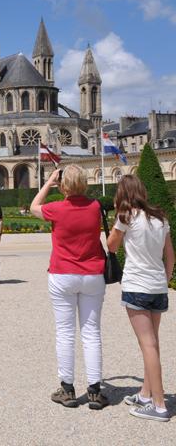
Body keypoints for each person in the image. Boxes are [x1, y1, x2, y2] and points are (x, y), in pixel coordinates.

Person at [31, 166, 108, 410]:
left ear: (63, 185)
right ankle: (95, 390)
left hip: (63, 274)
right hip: (92, 274)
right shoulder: (95, 207)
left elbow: (33, 206)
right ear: (85, 183)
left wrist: (48, 182)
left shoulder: (56, 208)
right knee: (91, 333)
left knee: (65, 332)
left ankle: (68, 389)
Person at [108, 175, 175, 422]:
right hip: (158, 287)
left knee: (148, 345)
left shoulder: (126, 217)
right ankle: (146, 394)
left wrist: (117, 217)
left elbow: (111, 246)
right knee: (152, 343)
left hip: (137, 286)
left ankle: (158, 406)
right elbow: (170, 257)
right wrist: (164, 281)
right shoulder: (160, 218)